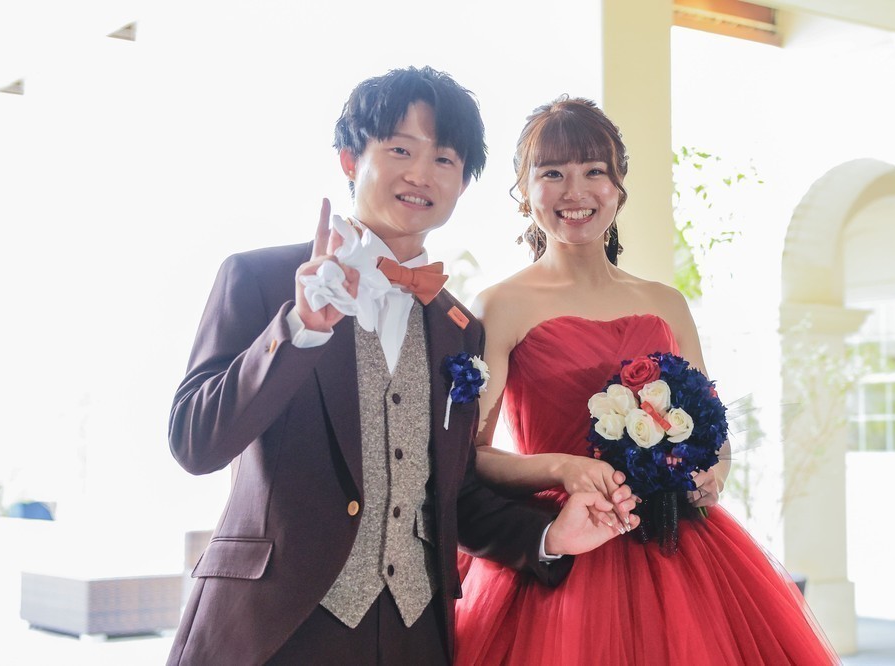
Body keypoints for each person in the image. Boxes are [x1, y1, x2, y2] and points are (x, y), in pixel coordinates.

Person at [166, 69, 639, 666]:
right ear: (349, 159)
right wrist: (298, 330)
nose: (421, 174)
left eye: (444, 159)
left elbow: (450, 493)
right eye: (399, 150)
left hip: (413, 637)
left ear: (463, 182)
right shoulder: (260, 279)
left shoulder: (459, 328)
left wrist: (547, 536)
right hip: (270, 631)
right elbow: (195, 443)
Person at [454, 96, 841, 665]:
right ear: (524, 191)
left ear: (618, 188)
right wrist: (563, 468)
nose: (575, 191)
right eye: (552, 173)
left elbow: (710, 427)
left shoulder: (665, 303)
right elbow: (473, 456)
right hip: (568, 538)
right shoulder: (500, 305)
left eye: (594, 171)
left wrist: (711, 474)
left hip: (677, 537)